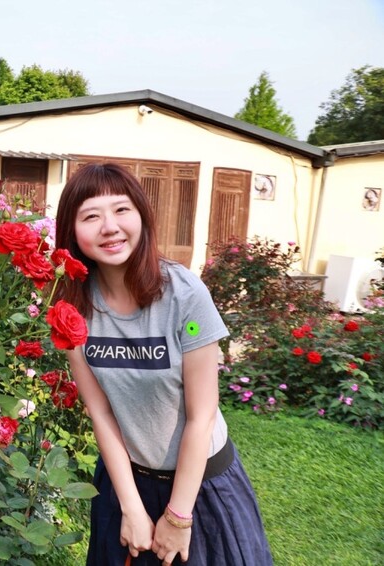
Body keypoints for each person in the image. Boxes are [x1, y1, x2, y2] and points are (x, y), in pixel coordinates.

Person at [54, 163, 272, 566]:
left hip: (201, 486)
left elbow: (202, 415)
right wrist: (132, 508)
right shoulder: (73, 306)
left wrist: (178, 516)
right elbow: (100, 412)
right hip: (127, 483)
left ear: (141, 215)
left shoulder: (184, 295)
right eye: (91, 216)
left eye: (121, 210)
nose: (110, 227)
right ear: (72, 230)